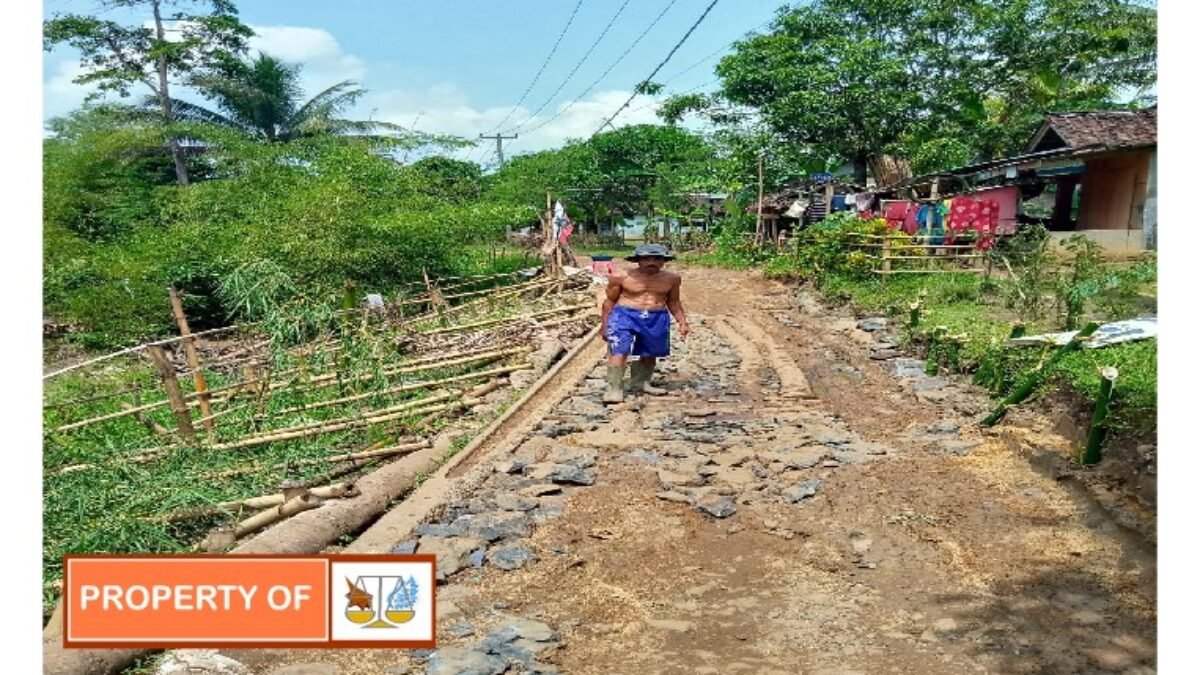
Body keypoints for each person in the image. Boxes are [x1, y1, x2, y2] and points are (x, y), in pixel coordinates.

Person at [600, 243, 691, 404]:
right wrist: (605, 324)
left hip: (655, 316)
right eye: (646, 259)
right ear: (637, 260)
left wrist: (682, 322)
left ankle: (640, 382)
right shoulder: (621, 277)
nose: (652, 262)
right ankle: (614, 388)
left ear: (664, 261)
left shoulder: (672, 279)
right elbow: (609, 301)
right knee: (619, 350)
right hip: (625, 315)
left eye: (657, 259)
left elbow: (674, 302)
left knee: (650, 352)